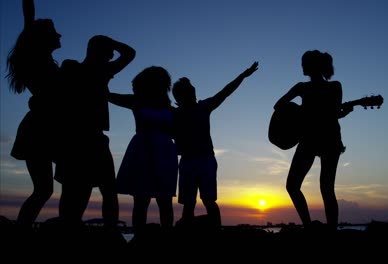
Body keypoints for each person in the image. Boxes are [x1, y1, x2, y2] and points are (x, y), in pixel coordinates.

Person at [55, 35, 136, 229]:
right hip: (79, 137)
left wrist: (104, 42)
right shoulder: (86, 69)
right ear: (101, 51)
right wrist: (108, 40)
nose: (111, 56)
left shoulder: (82, 68)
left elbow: (129, 54)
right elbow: (130, 53)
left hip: (81, 138)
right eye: (109, 52)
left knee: (90, 189)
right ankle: (77, 228)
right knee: (86, 190)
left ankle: (81, 228)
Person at [172, 61, 259, 229]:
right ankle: (187, 235)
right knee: (189, 203)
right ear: (180, 97)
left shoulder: (204, 106)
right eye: (188, 92)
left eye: (192, 90)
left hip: (206, 160)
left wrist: (243, 75)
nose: (192, 93)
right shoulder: (176, 113)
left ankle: (216, 232)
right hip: (188, 161)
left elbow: (226, 91)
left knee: (208, 200)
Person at [274, 50, 354, 231]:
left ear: (312, 66)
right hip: (310, 139)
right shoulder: (302, 87)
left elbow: (332, 115)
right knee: (294, 186)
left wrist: (344, 112)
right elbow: (278, 106)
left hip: (329, 139)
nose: (302, 66)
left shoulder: (334, 86)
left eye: (304, 63)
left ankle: (328, 230)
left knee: (325, 188)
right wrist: (300, 114)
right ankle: (310, 227)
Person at [6, 0, 62, 227]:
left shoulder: (44, 59)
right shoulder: (36, 57)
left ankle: (22, 231)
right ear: (43, 38)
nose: (60, 36)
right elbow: (29, 23)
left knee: (44, 189)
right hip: (39, 128)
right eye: (55, 33)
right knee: (44, 189)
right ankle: (21, 233)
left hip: (48, 126)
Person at [108, 66, 178, 237]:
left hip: (165, 153)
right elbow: (108, 96)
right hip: (142, 151)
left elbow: (179, 132)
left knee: (165, 200)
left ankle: (167, 237)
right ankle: (138, 238)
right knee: (141, 199)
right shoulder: (137, 101)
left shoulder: (172, 110)